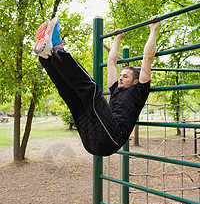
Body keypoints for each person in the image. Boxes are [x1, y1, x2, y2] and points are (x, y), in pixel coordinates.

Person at [34, 16, 161, 156]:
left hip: (111, 139)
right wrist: (117, 39)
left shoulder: (139, 91)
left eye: (125, 76)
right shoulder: (115, 89)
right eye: (121, 75)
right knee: (73, 97)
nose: (121, 78)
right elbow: (111, 63)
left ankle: (58, 48)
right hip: (92, 139)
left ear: (135, 81)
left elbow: (147, 58)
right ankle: (47, 57)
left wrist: (153, 29)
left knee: (91, 90)